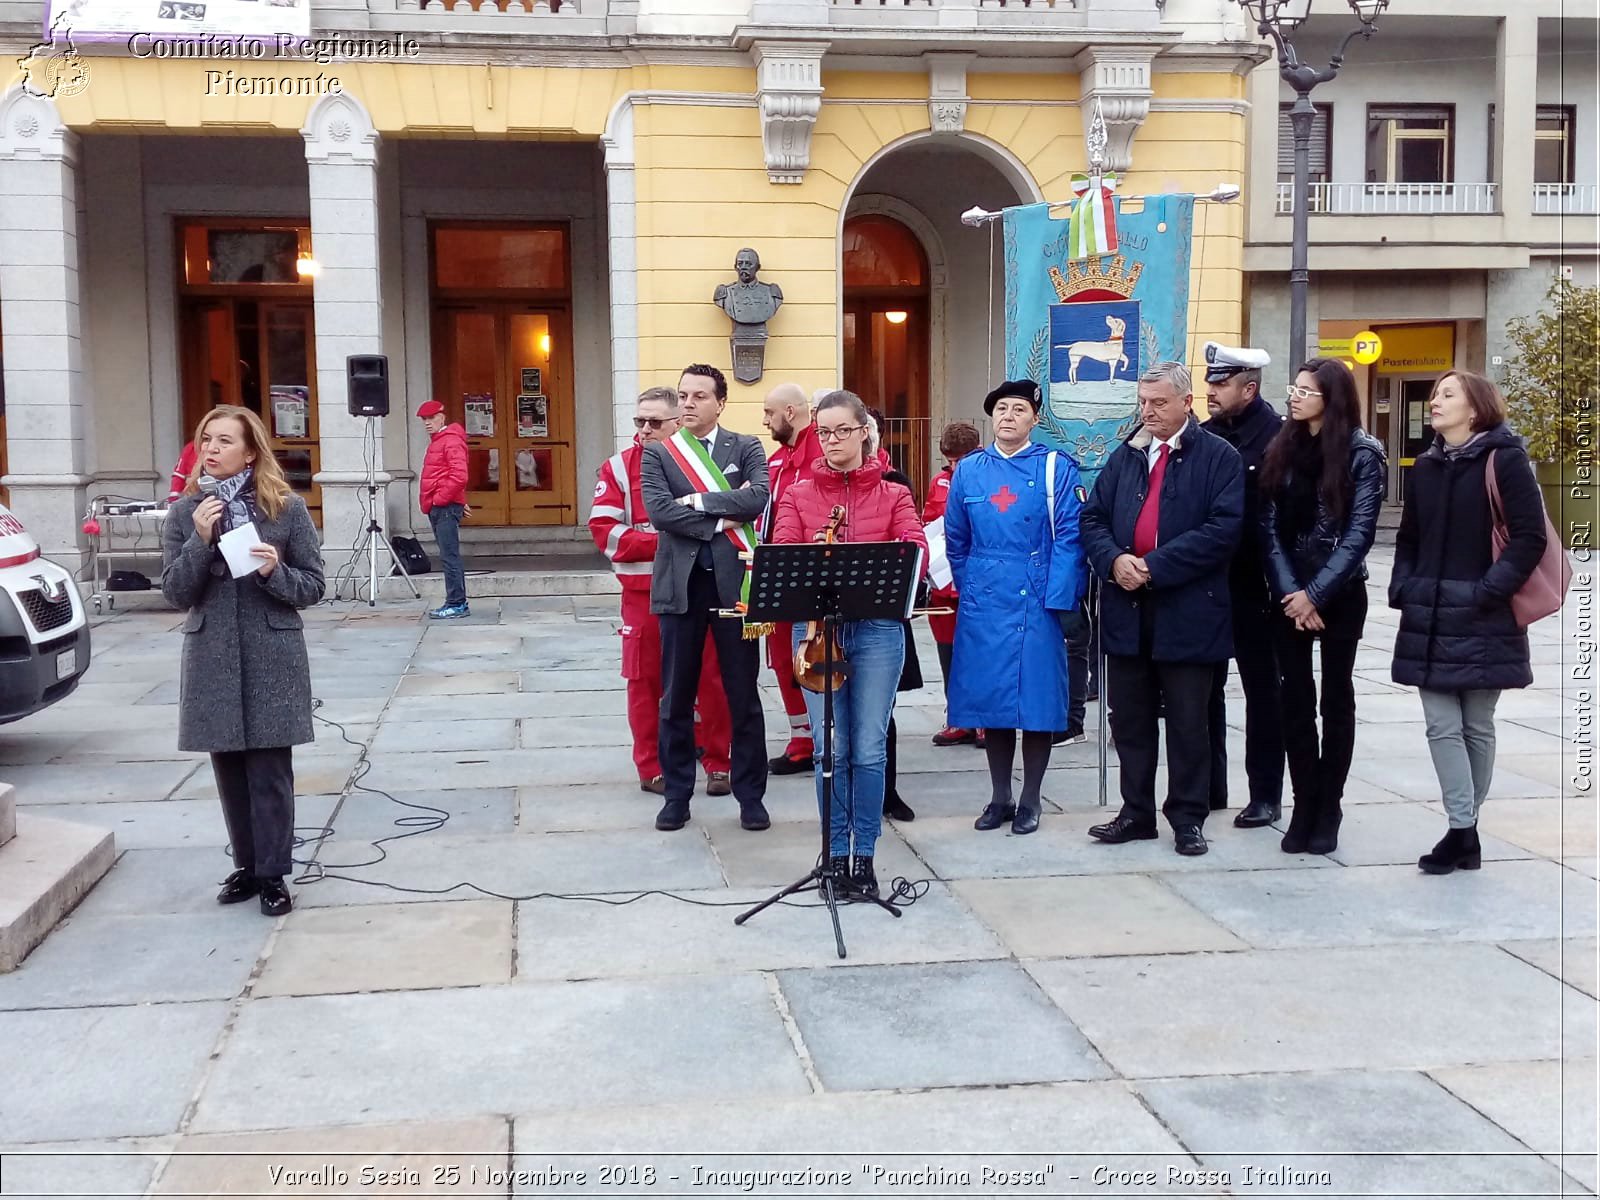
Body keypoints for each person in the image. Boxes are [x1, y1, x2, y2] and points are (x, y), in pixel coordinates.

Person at [161, 406, 325, 917]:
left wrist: (276, 573)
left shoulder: (286, 509)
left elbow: (314, 585)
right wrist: (198, 540)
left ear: (249, 452)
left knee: (270, 768)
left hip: (271, 653)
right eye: (206, 438)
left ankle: (274, 873)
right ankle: (249, 866)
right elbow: (174, 591)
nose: (210, 449)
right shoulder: (185, 511)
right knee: (229, 765)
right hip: (213, 653)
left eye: (224, 441)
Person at [1081, 362, 1243, 857]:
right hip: (1128, 609)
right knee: (1129, 718)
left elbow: (1223, 529)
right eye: (1143, 402)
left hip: (1189, 609)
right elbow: (1093, 518)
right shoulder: (1126, 455)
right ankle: (1136, 812)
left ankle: (1188, 817)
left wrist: (1154, 566)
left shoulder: (1218, 457)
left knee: (1189, 719)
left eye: (1159, 403)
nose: (1147, 412)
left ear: (1185, 402)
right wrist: (1114, 560)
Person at [1390, 371, 1548, 875]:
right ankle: (1464, 830)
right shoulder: (1425, 468)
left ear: (1476, 409)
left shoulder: (1506, 460)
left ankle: (1462, 833)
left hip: (1485, 614)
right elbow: (1409, 537)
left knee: (1477, 725)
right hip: (1428, 614)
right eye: (1434, 394)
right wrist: (1403, 586)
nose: (1434, 401)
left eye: (1446, 394)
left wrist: (1488, 591)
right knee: (1442, 724)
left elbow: (1529, 538)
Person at [773, 390, 927, 898]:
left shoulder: (893, 492)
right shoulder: (797, 493)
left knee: (867, 746)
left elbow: (914, 547)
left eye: (842, 431)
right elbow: (784, 554)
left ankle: (865, 856)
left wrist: (902, 557)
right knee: (829, 749)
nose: (832, 441)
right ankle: (834, 853)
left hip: (877, 630)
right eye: (823, 432)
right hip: (817, 633)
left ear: (864, 432)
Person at [945, 380, 1086, 836]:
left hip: (1036, 591)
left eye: (1018, 409)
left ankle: (1031, 799)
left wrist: (1058, 597)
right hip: (985, 597)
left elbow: (1069, 535)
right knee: (992, 700)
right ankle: (999, 795)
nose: (1007, 416)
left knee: (1036, 698)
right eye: (1000, 408)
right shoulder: (969, 470)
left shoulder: (1054, 468)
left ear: (1034, 419)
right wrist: (973, 586)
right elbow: (956, 539)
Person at [1260, 358, 1386, 856]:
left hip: (1339, 592)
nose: (1295, 396)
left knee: (1336, 700)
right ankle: (1303, 801)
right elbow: (1268, 526)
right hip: (1289, 596)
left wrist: (1316, 594)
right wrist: (1294, 594)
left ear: (1331, 399)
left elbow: (1358, 534)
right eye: (1294, 388)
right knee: (1294, 701)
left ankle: (1328, 804)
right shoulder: (1283, 447)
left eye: (1306, 390)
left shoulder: (1362, 452)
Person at [640, 363, 772, 834]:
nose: (689, 404)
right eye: (684, 396)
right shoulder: (658, 454)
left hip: (734, 585)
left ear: (721, 402)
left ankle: (750, 795)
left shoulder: (747, 446)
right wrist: (720, 514)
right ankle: (677, 795)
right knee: (676, 696)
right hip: (680, 586)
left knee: (743, 696)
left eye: (699, 396)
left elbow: (757, 497)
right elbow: (659, 513)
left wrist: (693, 503)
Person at [589, 386, 734, 798]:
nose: (645, 430)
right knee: (645, 682)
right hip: (644, 595)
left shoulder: (704, 463)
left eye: (655, 422)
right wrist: (669, 542)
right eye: (640, 421)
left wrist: (681, 536)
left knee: (711, 677)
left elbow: (728, 524)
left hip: (699, 588)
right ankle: (652, 766)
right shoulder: (618, 468)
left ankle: (719, 762)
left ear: (677, 422)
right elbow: (605, 532)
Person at [1201, 340, 1287, 827]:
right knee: (1203, 687)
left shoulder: (1279, 439)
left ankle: (1265, 793)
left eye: (1221, 383)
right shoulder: (1206, 436)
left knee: (1263, 691)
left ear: (1249, 388)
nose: (1211, 390)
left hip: (1258, 583)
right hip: (1212, 581)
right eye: (1211, 381)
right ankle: (1211, 786)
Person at [761, 381, 823, 775]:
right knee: (782, 659)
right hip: (777, 573)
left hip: (811, 575)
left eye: (769, 413)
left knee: (813, 660)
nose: (764, 420)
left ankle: (821, 738)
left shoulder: (822, 452)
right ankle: (801, 738)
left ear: (790, 412)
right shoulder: (777, 459)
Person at [923, 421, 983, 747]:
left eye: (962, 459)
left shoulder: (990, 475)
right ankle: (958, 717)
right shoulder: (940, 482)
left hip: (976, 580)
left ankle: (985, 719)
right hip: (944, 584)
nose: (956, 466)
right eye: (951, 460)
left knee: (979, 650)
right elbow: (930, 522)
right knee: (948, 649)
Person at [417, 400, 469, 620]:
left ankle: (457, 603)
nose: (427, 423)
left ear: (442, 416)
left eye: (431, 418)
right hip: (440, 505)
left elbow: (459, 475)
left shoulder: (450, 441)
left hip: (443, 506)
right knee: (448, 556)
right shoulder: (439, 441)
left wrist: (441, 499)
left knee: (449, 557)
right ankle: (456, 602)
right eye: (424, 420)